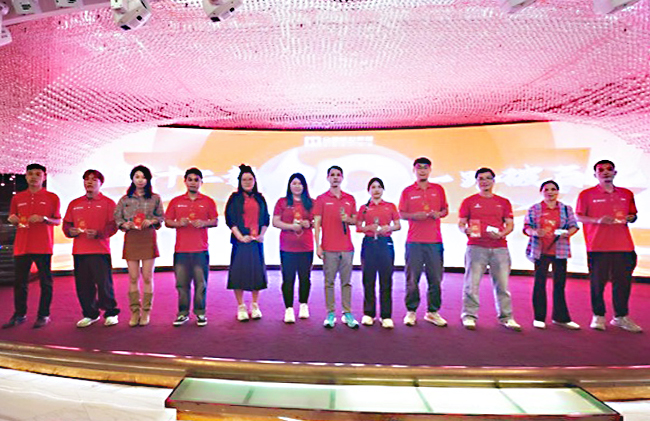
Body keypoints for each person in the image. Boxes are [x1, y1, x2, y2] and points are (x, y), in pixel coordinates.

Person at [576, 160, 642, 333]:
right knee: (597, 284)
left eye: (609, 169)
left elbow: (633, 214)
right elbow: (579, 216)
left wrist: (631, 218)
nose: (605, 172)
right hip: (598, 246)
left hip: (624, 246)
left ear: (615, 173)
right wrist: (597, 220)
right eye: (601, 170)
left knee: (623, 283)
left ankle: (621, 317)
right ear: (595, 174)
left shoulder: (626, 193)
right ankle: (598, 316)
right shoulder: (586, 194)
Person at [458, 167, 521, 331]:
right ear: (476, 182)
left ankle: (507, 317)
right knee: (471, 284)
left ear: (493, 181)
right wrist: (465, 230)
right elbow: (461, 223)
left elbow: (510, 224)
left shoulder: (503, 202)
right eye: (481, 179)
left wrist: (501, 234)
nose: (484, 182)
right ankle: (469, 316)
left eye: (487, 178)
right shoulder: (469, 201)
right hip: (476, 246)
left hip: (499, 248)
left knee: (503, 286)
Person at [2, 163, 61, 329]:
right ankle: (19, 314)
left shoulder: (52, 197)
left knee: (46, 282)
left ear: (44, 177)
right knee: (20, 283)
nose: (34, 177)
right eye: (30, 174)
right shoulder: (18, 197)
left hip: (43, 246)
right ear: (26, 176)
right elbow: (12, 216)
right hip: (22, 246)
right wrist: (12, 219)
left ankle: (43, 315)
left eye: (37, 174)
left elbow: (57, 220)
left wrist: (44, 219)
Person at [63, 170, 120, 328]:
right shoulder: (74, 203)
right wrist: (70, 231)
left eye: (94, 180)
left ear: (101, 183)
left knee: (104, 284)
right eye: (87, 179)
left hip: (100, 250)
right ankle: (90, 314)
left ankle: (111, 313)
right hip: (79, 251)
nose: (89, 182)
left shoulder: (108, 203)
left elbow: (113, 225)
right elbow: (66, 224)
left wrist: (99, 234)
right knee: (83, 285)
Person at [398, 157, 448, 327]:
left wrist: (439, 214)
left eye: (425, 168)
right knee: (412, 279)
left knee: (436, 279)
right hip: (414, 241)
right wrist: (414, 216)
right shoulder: (408, 191)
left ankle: (432, 312)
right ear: (414, 170)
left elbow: (445, 210)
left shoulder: (438, 189)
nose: (422, 171)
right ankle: (411, 311)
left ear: (430, 170)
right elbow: (401, 214)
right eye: (419, 168)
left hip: (435, 241)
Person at [165, 168, 218, 327]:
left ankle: (200, 313)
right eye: (190, 179)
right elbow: (167, 221)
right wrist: (178, 223)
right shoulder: (176, 201)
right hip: (181, 250)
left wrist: (204, 223)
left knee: (201, 284)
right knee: (182, 284)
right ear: (185, 182)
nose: (193, 183)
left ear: (201, 182)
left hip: (200, 250)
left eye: (196, 180)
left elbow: (215, 221)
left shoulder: (208, 201)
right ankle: (182, 313)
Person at [523, 180, 580, 330]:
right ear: (541, 192)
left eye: (553, 189)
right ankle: (539, 317)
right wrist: (535, 232)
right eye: (546, 189)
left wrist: (567, 233)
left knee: (560, 285)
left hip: (560, 250)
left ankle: (561, 318)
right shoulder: (534, 209)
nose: (550, 192)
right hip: (540, 250)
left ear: (558, 192)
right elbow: (527, 227)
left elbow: (574, 226)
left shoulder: (566, 209)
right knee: (539, 284)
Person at [114, 165, 164, 327]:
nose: (140, 180)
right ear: (132, 179)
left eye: (143, 177)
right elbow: (117, 218)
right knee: (133, 277)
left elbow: (161, 217)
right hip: (132, 238)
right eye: (137, 177)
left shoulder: (155, 198)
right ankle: (134, 312)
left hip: (148, 237)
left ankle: (146, 312)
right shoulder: (125, 199)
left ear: (148, 179)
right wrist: (125, 224)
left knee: (148, 277)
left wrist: (151, 221)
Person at [313, 165, 358, 329]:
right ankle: (330, 313)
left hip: (347, 248)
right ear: (327, 178)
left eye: (338, 175)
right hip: (329, 247)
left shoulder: (350, 198)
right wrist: (318, 246)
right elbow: (317, 224)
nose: (335, 178)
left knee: (346, 282)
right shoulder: (321, 199)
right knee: (329, 282)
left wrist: (348, 219)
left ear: (342, 178)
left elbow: (356, 220)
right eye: (332, 175)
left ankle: (347, 313)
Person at [225, 164, 270, 321]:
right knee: (238, 274)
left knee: (256, 274)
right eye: (244, 179)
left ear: (255, 181)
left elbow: (266, 218)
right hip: (240, 242)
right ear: (239, 181)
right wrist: (240, 237)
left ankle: (255, 305)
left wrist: (262, 235)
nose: (247, 182)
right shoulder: (234, 198)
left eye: (250, 179)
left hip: (256, 241)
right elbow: (230, 219)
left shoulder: (260, 198)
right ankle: (241, 306)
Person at [356, 177, 401, 329]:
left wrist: (389, 228)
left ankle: (386, 315)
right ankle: (369, 313)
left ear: (383, 190)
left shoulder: (390, 206)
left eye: (379, 187)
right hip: (369, 243)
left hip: (385, 243)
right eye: (373, 187)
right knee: (368, 279)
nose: (376, 190)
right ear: (368, 190)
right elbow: (358, 227)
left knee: (386, 279)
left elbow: (398, 225)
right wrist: (368, 228)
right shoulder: (364, 208)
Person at [272, 173, 314, 324]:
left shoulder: (311, 203)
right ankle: (288, 308)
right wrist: (291, 226)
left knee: (305, 278)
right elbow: (275, 222)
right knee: (288, 278)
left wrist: (309, 224)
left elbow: (317, 221)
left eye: (300, 183)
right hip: (287, 247)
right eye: (294, 183)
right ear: (289, 186)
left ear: (304, 186)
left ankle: (303, 305)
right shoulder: (282, 202)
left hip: (306, 247)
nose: (297, 186)